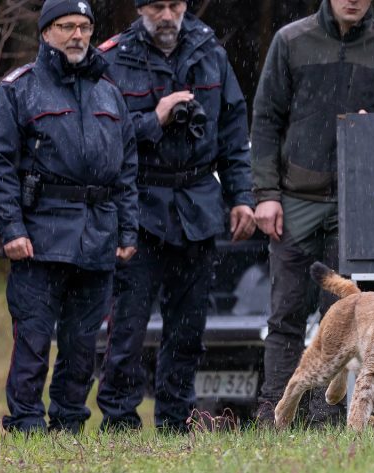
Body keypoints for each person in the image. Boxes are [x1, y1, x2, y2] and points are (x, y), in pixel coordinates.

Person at [250, 0, 374, 426]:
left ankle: (324, 418)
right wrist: (266, 192)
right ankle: (274, 413)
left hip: (357, 204)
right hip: (294, 197)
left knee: (343, 318)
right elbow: (266, 118)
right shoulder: (290, 40)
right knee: (285, 312)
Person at [95, 0, 255, 433]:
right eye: (157, 6)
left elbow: (234, 133)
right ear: (140, 7)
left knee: (188, 330)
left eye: (175, 5)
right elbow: (101, 136)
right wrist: (155, 119)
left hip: (198, 203)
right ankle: (119, 422)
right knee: (126, 329)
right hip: (139, 204)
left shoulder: (210, 52)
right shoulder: (113, 56)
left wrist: (242, 197)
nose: (167, 16)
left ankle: (176, 420)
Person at [0, 0, 139, 434]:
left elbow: (126, 166)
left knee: (82, 343)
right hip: (40, 234)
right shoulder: (19, 89)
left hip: (98, 235)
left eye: (85, 27)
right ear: (46, 32)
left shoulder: (108, 89)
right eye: (66, 26)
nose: (77, 36)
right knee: (32, 341)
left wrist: (127, 229)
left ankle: (68, 424)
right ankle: (27, 425)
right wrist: (10, 228)